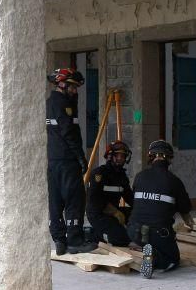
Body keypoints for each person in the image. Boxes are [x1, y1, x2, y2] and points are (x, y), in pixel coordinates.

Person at [127, 140, 194, 279]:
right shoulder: (174, 181)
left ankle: (144, 248)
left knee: (145, 238)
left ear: (150, 156)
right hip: (159, 233)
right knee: (173, 260)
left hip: (134, 231)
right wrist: (188, 221)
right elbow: (185, 207)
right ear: (169, 158)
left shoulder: (139, 177)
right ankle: (154, 258)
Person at [46, 68, 95, 256]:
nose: (75, 91)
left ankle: (59, 239)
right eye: (73, 87)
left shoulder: (50, 102)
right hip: (67, 160)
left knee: (55, 200)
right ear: (62, 84)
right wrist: (81, 158)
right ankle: (74, 240)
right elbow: (69, 133)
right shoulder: (63, 103)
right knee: (75, 199)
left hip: (54, 159)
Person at [87, 140, 134, 246]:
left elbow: (130, 197)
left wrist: (142, 211)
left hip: (114, 212)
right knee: (122, 240)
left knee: (136, 215)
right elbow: (95, 201)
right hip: (97, 214)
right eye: (118, 156)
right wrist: (115, 212)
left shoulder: (122, 176)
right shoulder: (99, 174)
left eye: (123, 156)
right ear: (110, 156)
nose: (121, 159)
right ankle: (93, 235)